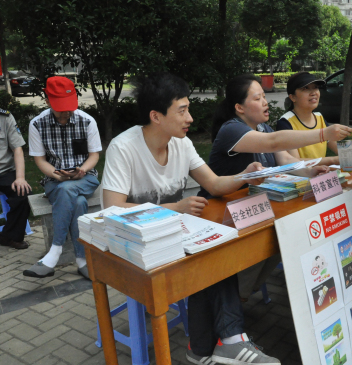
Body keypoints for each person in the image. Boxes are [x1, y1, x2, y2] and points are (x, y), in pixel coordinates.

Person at [101, 73, 280, 365]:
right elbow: (112, 208)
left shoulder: (180, 143)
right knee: (209, 260)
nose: (190, 118)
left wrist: (245, 174)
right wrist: (176, 207)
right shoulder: (125, 147)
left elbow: (213, 184)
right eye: (182, 110)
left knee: (214, 252)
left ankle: (205, 349)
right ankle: (226, 341)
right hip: (131, 242)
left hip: (172, 234)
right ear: (156, 116)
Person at [203, 74, 352, 301]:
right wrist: (323, 134)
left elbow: (284, 159)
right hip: (221, 214)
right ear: (239, 108)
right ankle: (228, 299)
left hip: (253, 209)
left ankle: (239, 295)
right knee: (267, 243)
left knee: (278, 241)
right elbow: (275, 143)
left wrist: (310, 171)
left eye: (264, 96)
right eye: (258, 98)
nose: (265, 102)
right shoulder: (231, 130)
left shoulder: (263, 127)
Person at [24, 76, 101, 279]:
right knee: (78, 201)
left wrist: (81, 171)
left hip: (86, 177)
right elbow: (39, 160)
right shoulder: (37, 124)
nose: (65, 113)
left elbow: (94, 156)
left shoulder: (87, 121)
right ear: (48, 99)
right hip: (54, 179)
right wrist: (57, 175)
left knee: (69, 190)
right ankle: (82, 261)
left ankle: (54, 252)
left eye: (69, 107)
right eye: (60, 108)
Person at [276, 72, 352, 163]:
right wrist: (334, 160)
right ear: (293, 97)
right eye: (305, 88)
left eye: (315, 87)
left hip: (321, 176)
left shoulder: (319, 118)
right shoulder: (285, 123)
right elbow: (295, 162)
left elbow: (338, 147)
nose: (313, 92)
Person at [0, 109, 32, 250]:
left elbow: (17, 149)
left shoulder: (5, 117)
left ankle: (10, 237)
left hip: (4, 171)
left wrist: (20, 178)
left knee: (22, 193)